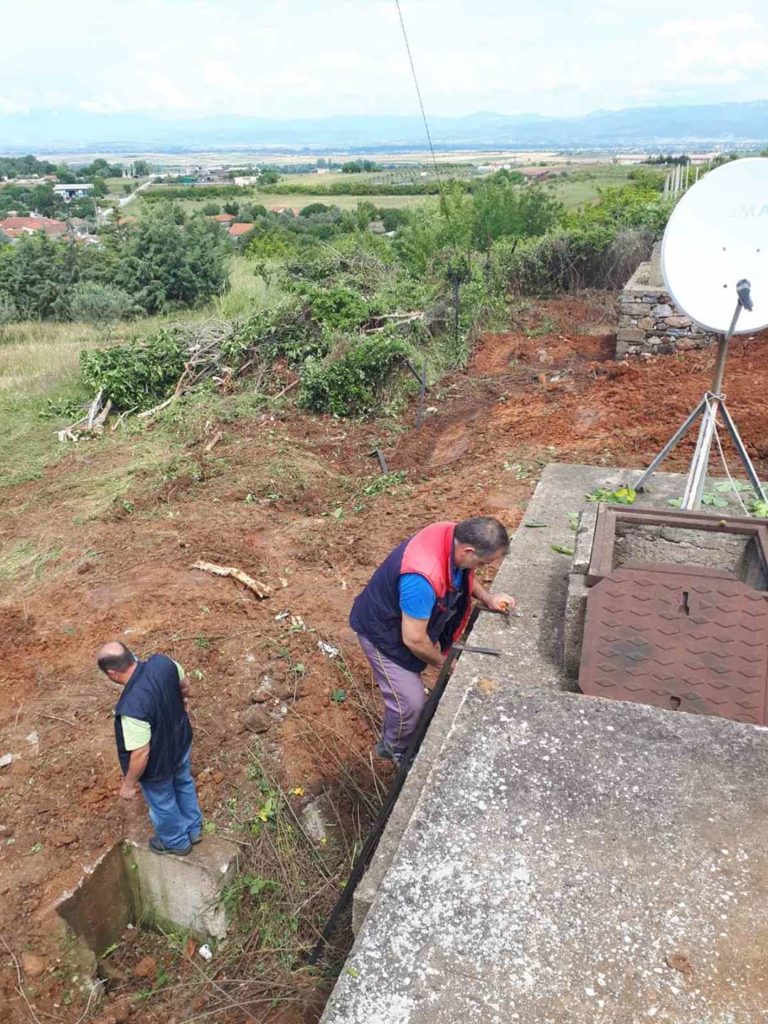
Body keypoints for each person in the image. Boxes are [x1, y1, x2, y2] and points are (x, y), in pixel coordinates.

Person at [350, 517, 514, 764]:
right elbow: (415, 640)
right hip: (382, 633)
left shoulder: (451, 536)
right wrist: (443, 661)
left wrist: (487, 597)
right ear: (468, 550)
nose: (480, 568)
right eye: (482, 562)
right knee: (410, 703)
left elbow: (464, 572)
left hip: (404, 620)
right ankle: (393, 747)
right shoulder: (422, 578)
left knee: (415, 687)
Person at [97, 641, 203, 857]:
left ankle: (177, 842)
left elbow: (141, 753)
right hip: (180, 744)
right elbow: (184, 685)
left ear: (112, 674)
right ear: (131, 656)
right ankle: (194, 829)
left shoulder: (132, 708)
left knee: (163, 802)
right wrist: (183, 700)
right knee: (183, 782)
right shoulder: (164, 663)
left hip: (158, 765)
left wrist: (128, 785)